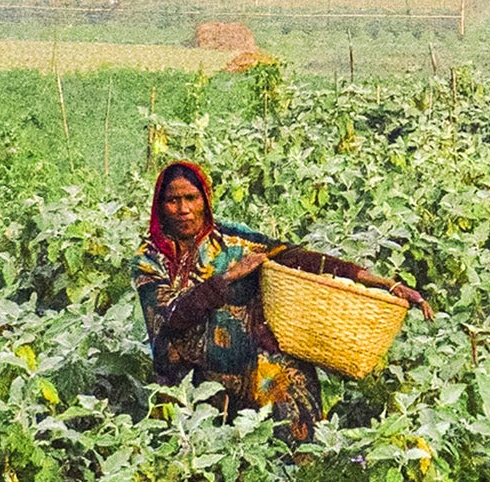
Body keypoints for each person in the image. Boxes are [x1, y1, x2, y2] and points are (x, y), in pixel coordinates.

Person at [133, 160, 432, 443]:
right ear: (161, 206)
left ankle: (304, 480)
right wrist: (228, 277)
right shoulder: (150, 259)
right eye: (173, 201)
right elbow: (170, 316)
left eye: (191, 198)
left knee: (292, 390)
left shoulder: (234, 240)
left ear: (205, 200)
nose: (184, 209)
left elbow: (297, 259)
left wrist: (384, 283)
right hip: (188, 379)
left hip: (249, 361)